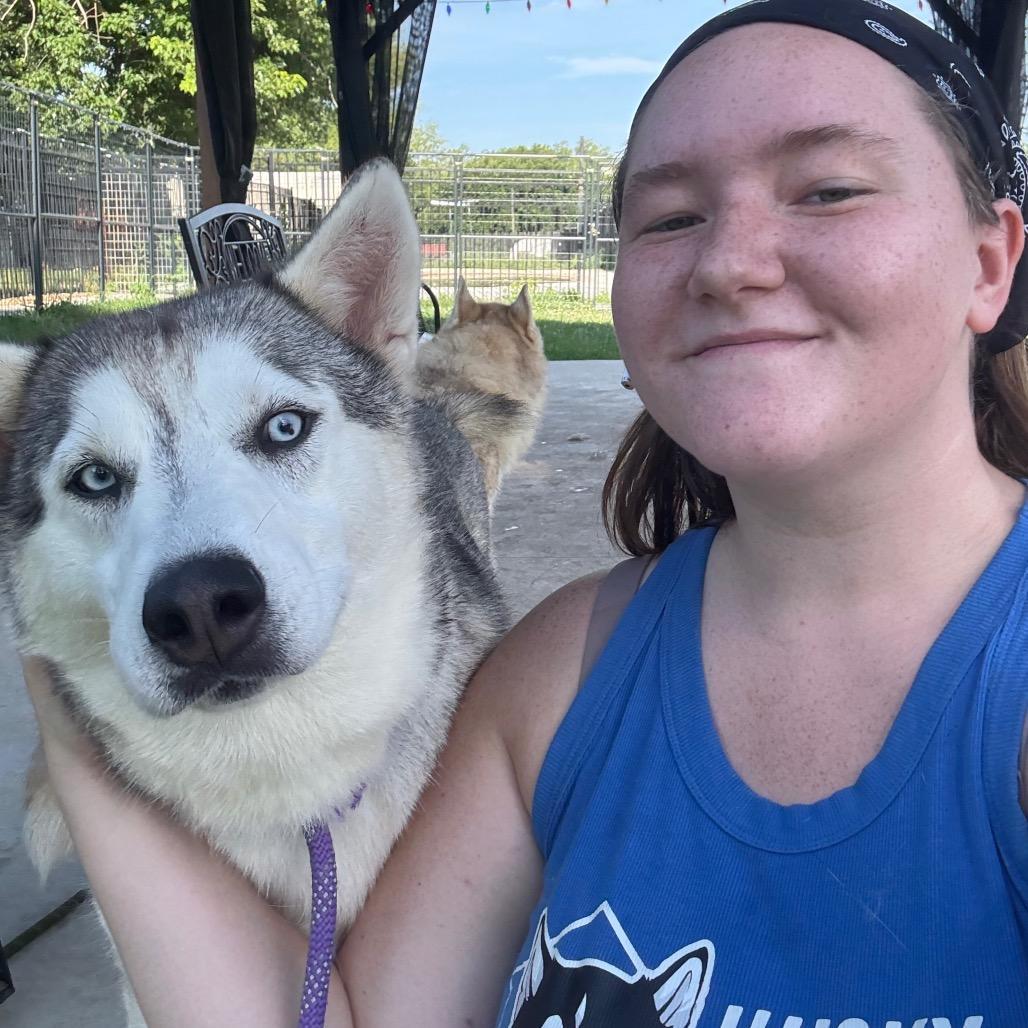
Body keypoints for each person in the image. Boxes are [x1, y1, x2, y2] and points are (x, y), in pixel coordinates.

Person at [21, 0, 1028, 1024]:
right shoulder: (556, 674)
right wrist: (82, 731)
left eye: (827, 190)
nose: (729, 263)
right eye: (671, 217)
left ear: (990, 262)